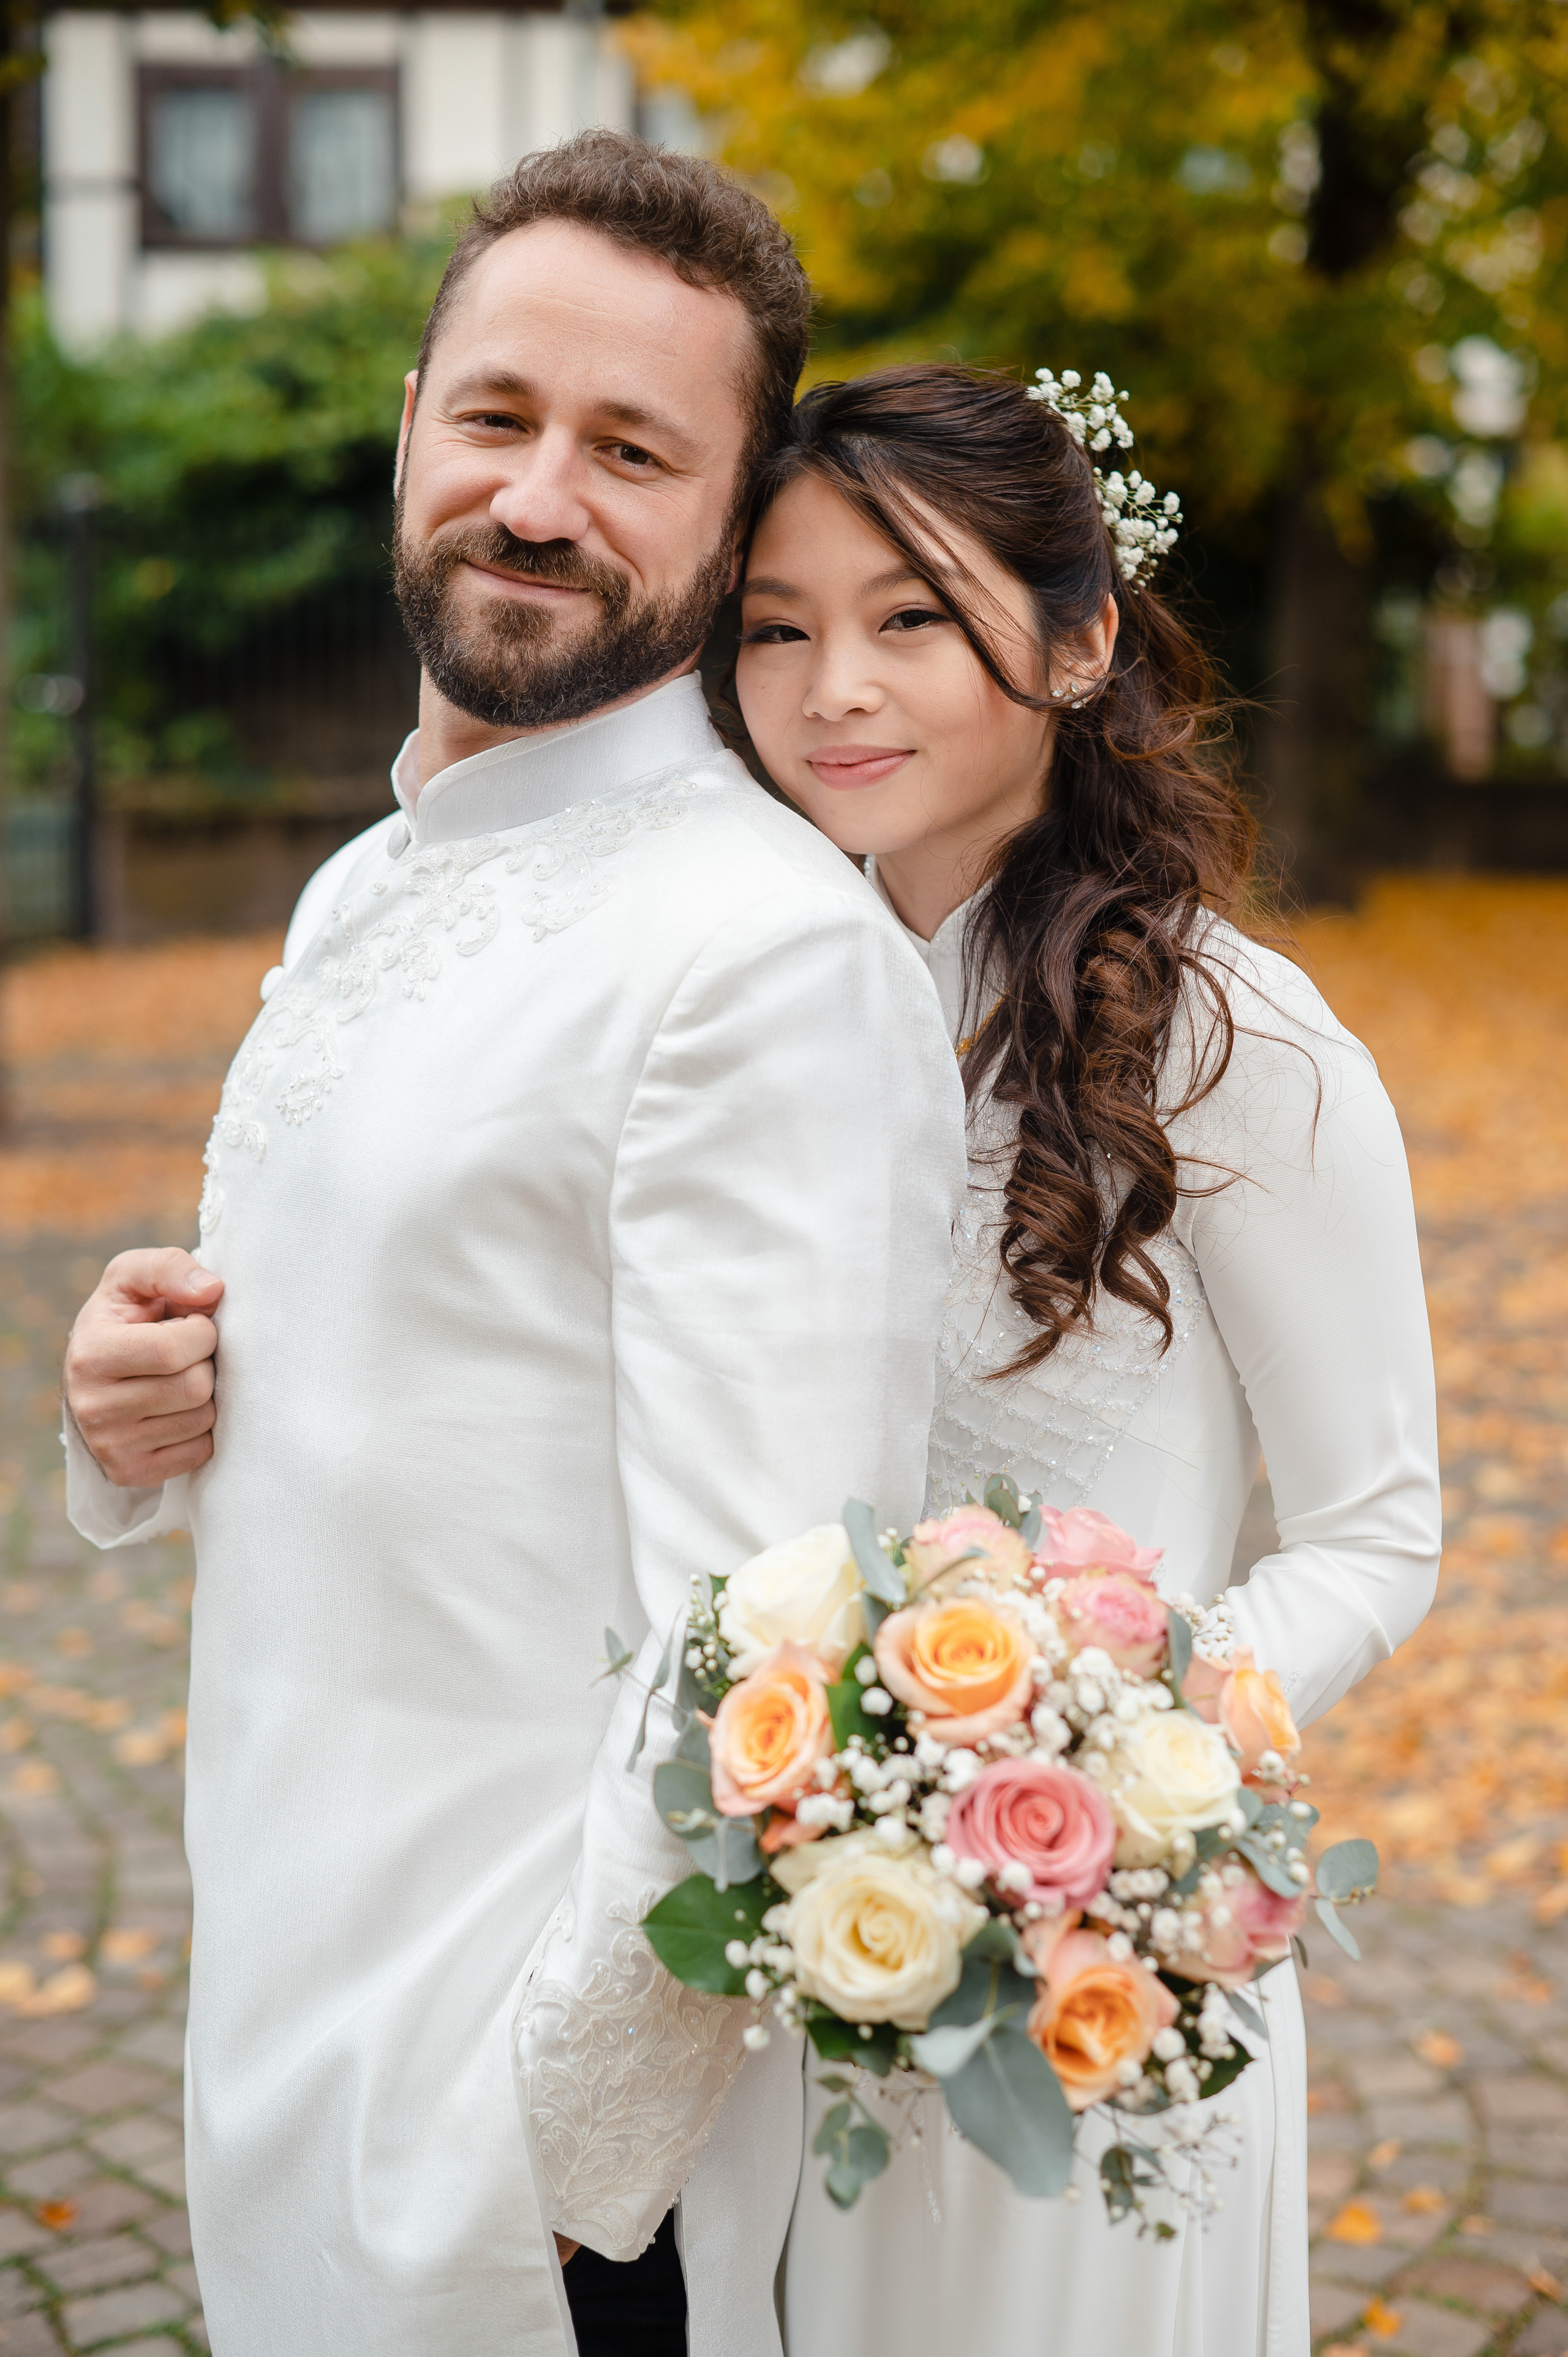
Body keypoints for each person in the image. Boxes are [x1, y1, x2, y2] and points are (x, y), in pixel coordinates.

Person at [58, 137, 968, 2357]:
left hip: (520, 2187)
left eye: (632, 449)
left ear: (732, 520)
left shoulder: (756, 954)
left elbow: (765, 1647)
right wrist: (134, 1405)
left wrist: (560, 2173)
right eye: (498, 418)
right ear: (412, 434)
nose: (539, 496)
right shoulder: (369, 884)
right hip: (288, 2010)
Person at [732, 363, 1441, 2357]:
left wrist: (1101, 1769)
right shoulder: (755, 1019)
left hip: (1096, 1954)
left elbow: (1378, 1534)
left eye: (910, 619)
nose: (831, 689)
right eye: (776, 629)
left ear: (1076, 634)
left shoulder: (1240, 1045)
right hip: (797, 1947)